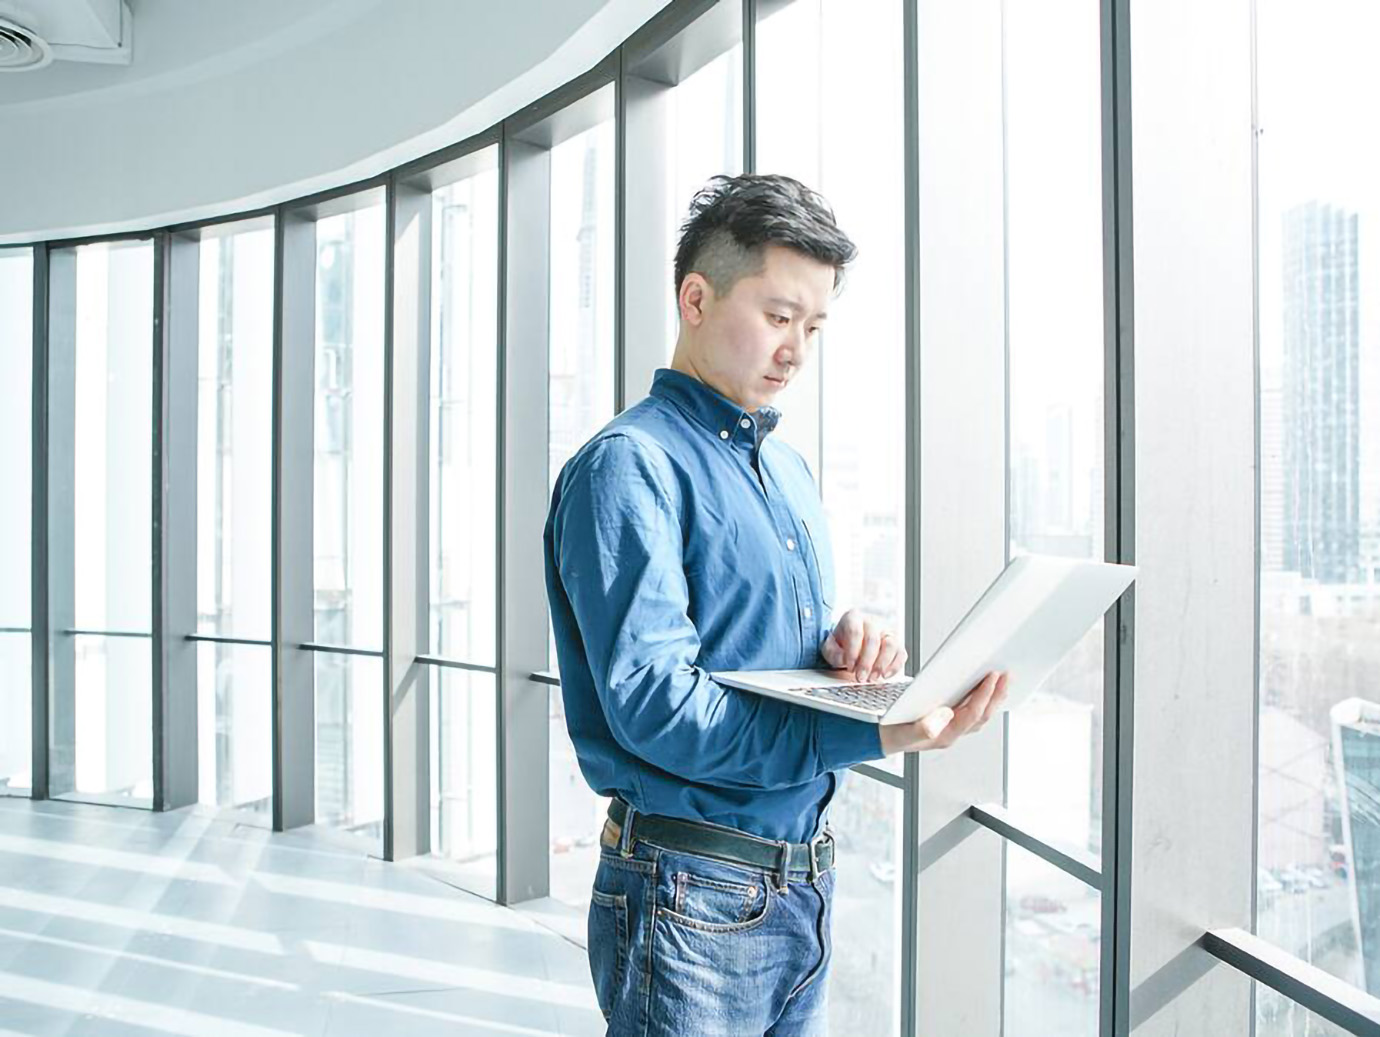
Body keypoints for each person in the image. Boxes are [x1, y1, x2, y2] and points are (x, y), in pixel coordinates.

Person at [543, 173, 1008, 1036]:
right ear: (695, 297)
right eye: (779, 315)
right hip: (690, 890)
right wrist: (872, 729)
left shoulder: (785, 472)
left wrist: (842, 646)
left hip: (799, 889)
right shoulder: (628, 466)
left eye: (816, 326)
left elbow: (749, 652)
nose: (796, 348)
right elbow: (658, 706)